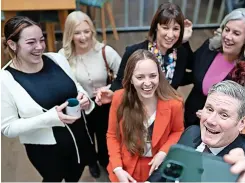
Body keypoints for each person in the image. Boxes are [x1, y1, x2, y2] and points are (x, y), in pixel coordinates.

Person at [1, 16, 95, 182]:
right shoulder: (5, 80)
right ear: (12, 44)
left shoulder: (56, 59)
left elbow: (76, 87)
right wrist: (50, 118)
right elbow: (8, 128)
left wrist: (84, 98)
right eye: (31, 42)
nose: (39, 47)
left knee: (76, 175)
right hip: (46, 151)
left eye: (41, 40)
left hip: (79, 138)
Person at [148, 80, 245, 182]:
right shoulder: (192, 132)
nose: (210, 121)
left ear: (241, 123)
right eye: (209, 109)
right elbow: (169, 167)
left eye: (224, 115)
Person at [58, 11, 122, 177]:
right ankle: (91, 162)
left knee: (104, 137)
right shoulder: (62, 56)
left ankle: (105, 161)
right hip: (78, 107)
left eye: (86, 31)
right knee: (84, 139)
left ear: (92, 31)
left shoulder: (105, 52)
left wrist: (108, 88)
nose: (83, 37)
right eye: (77, 33)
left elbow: (124, 76)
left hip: (103, 104)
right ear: (69, 34)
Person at [106, 49, 185, 182]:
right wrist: (118, 168)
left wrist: (163, 152)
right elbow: (112, 135)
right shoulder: (119, 98)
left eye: (153, 76)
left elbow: (178, 131)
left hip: (156, 168)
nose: (148, 83)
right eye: (140, 77)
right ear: (130, 78)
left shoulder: (175, 103)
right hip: (124, 166)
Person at [183, 8, 245, 127]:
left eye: (236, 33)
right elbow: (191, 65)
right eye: (227, 29)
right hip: (189, 117)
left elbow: (240, 107)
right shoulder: (210, 48)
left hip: (217, 128)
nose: (228, 37)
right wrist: (184, 41)